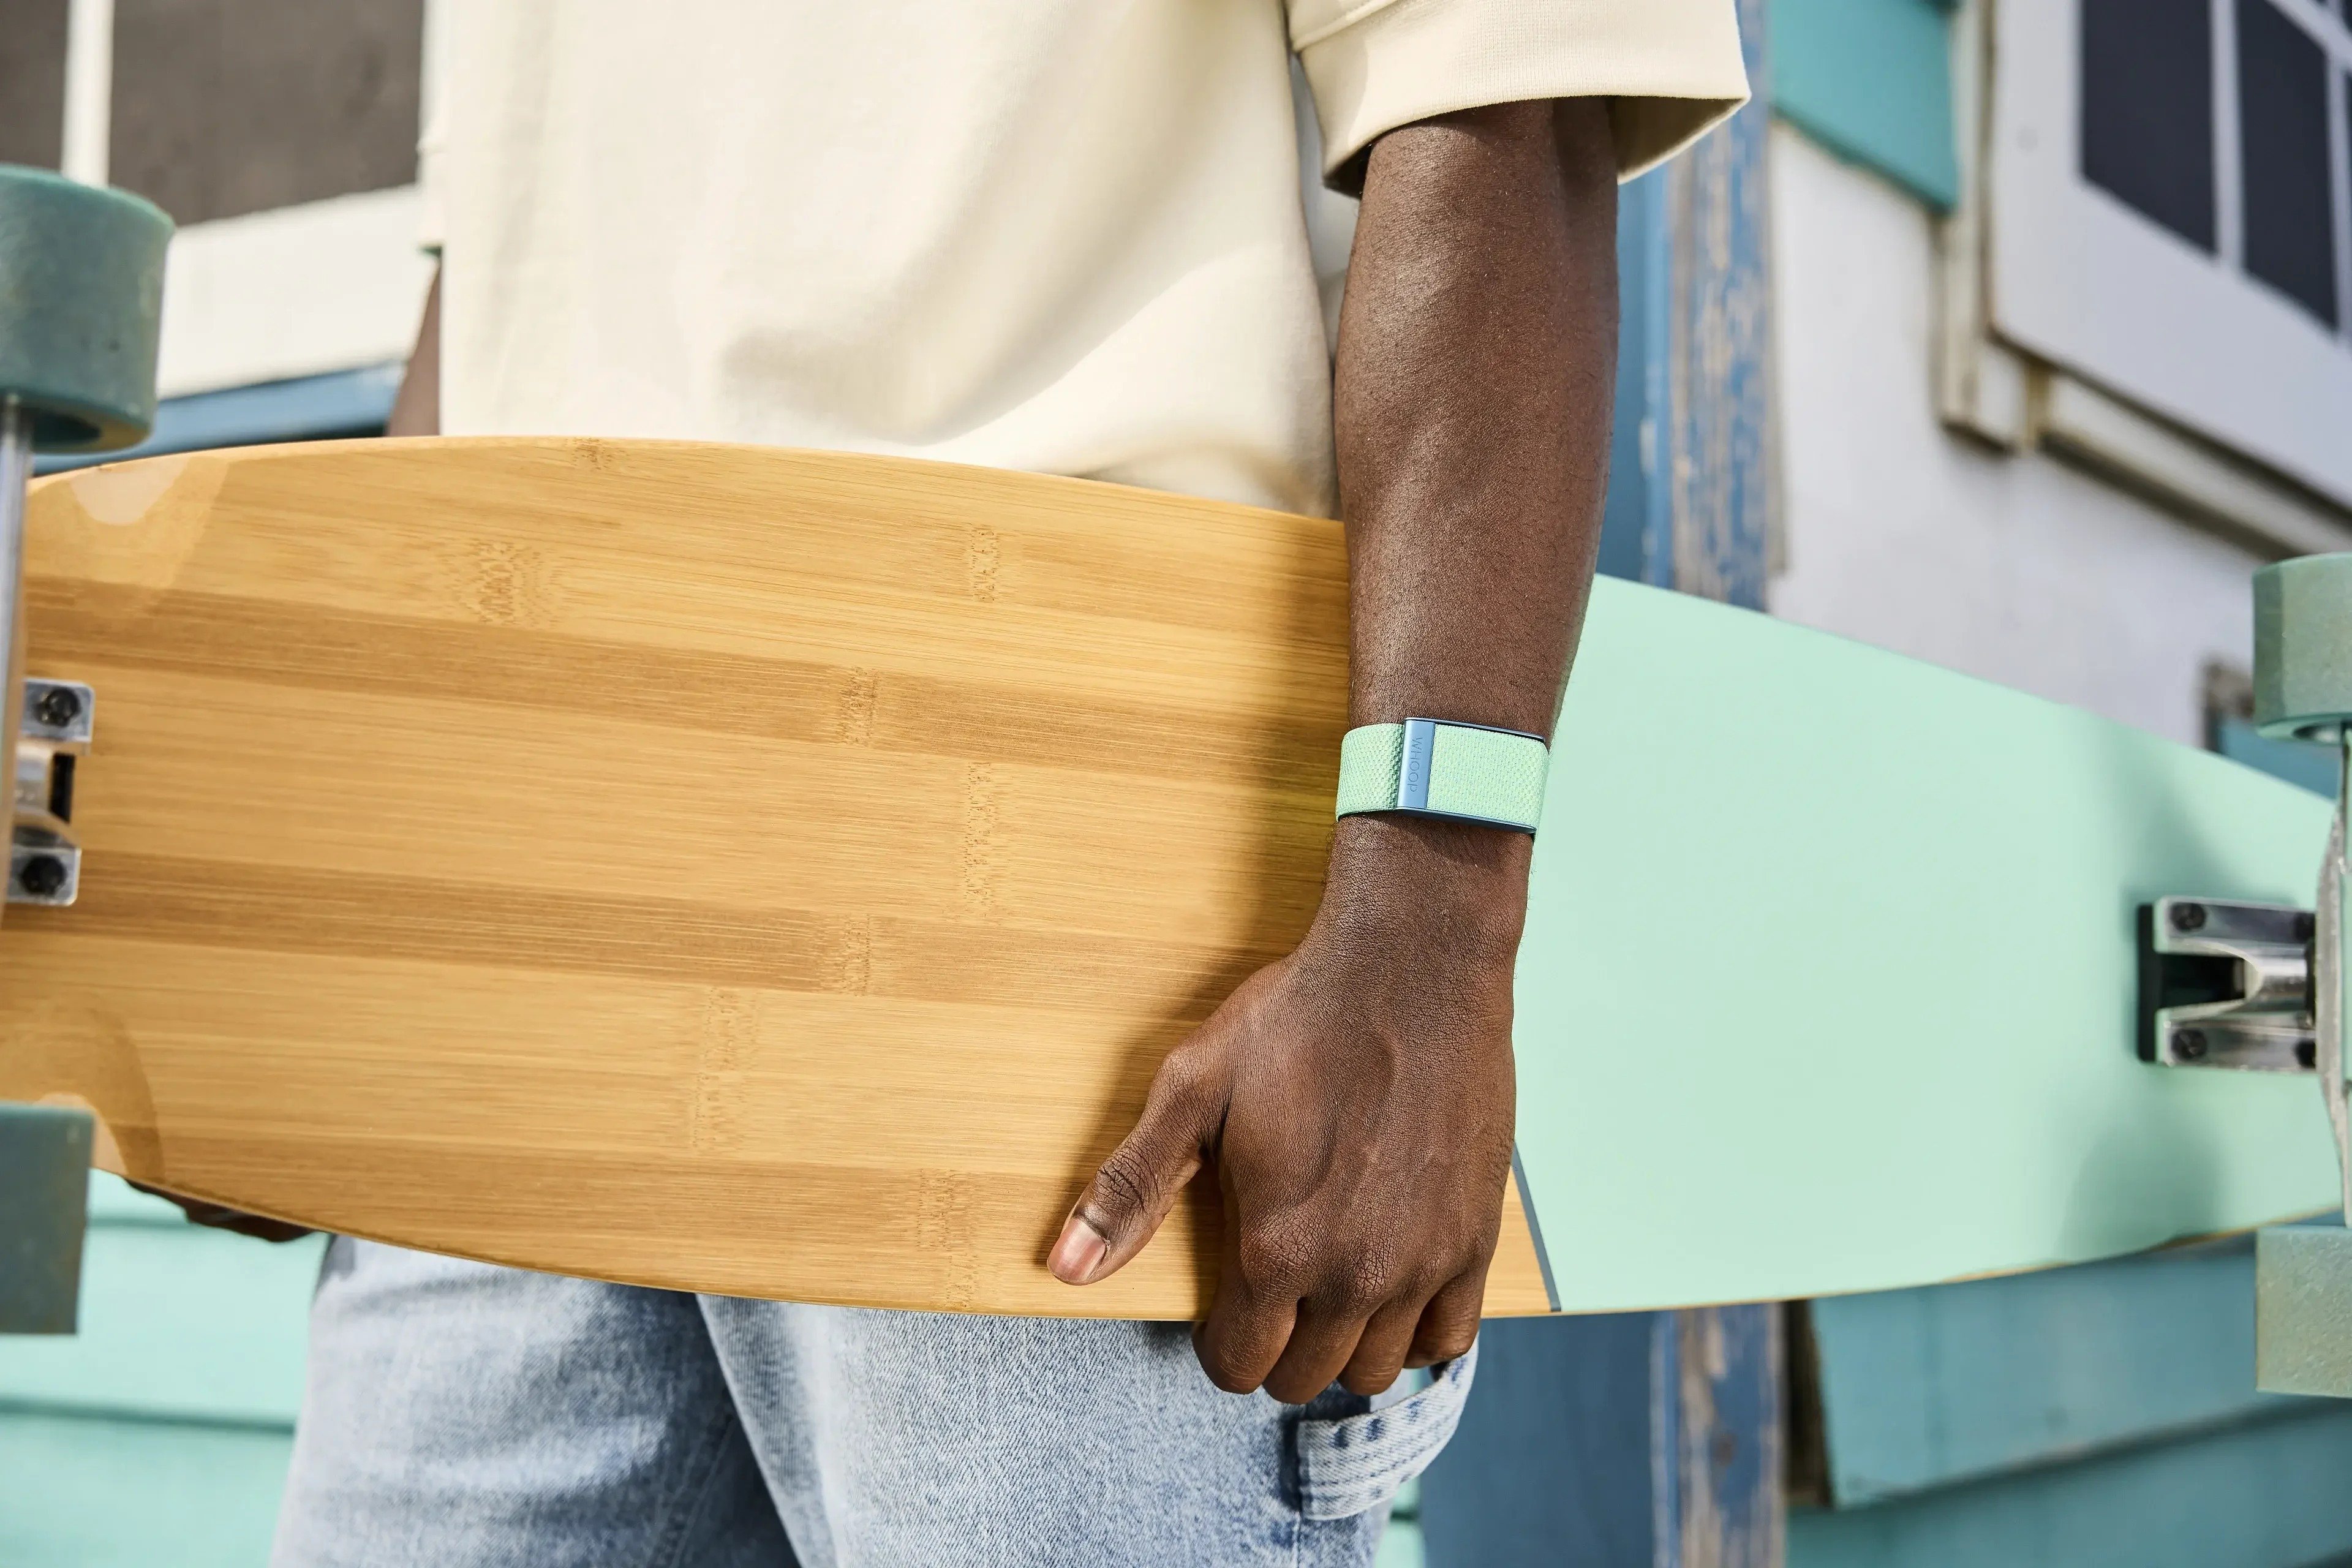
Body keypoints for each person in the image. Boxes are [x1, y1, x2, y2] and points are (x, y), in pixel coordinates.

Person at [256, 5, 1745, 1564]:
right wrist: (347, 851)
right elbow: (497, 271)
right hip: (528, 942)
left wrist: (1432, 926)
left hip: (1048, 954)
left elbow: (1501, 90)